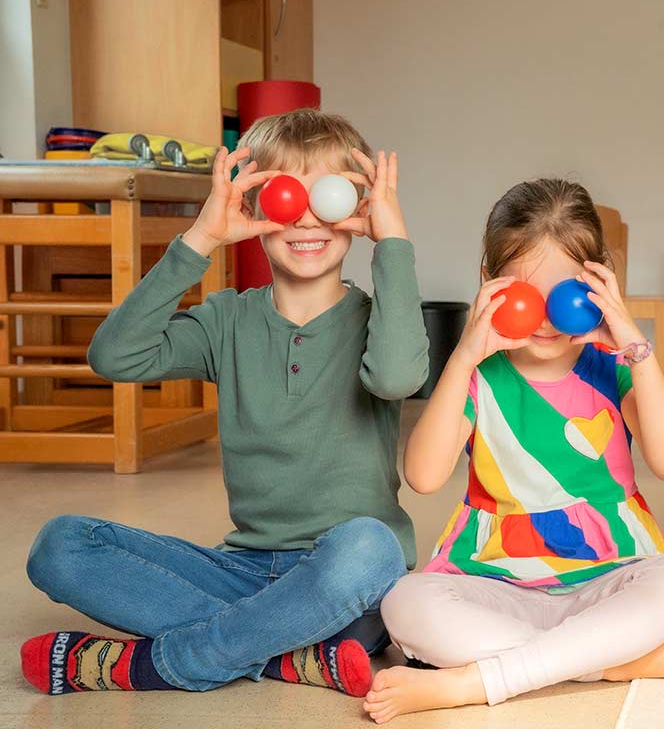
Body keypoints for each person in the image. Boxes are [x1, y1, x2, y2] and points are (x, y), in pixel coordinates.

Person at [21, 109, 429, 698]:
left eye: (330, 197)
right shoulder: (226, 320)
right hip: (240, 570)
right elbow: (115, 357)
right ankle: (282, 655)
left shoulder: (377, 319)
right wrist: (200, 239)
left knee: (371, 546)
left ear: (357, 209)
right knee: (59, 545)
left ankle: (172, 660)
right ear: (256, 210)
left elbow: (395, 377)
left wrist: (394, 240)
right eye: (286, 196)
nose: (308, 217)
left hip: (345, 580)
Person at [362, 179, 664, 723]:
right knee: (405, 603)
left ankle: (473, 683)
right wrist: (462, 359)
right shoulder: (481, 376)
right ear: (488, 283)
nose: (546, 319)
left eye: (566, 297)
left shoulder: (615, 366)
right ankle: (605, 662)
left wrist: (634, 346)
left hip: (607, 575)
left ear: (600, 287)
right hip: (495, 578)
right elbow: (424, 476)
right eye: (527, 297)